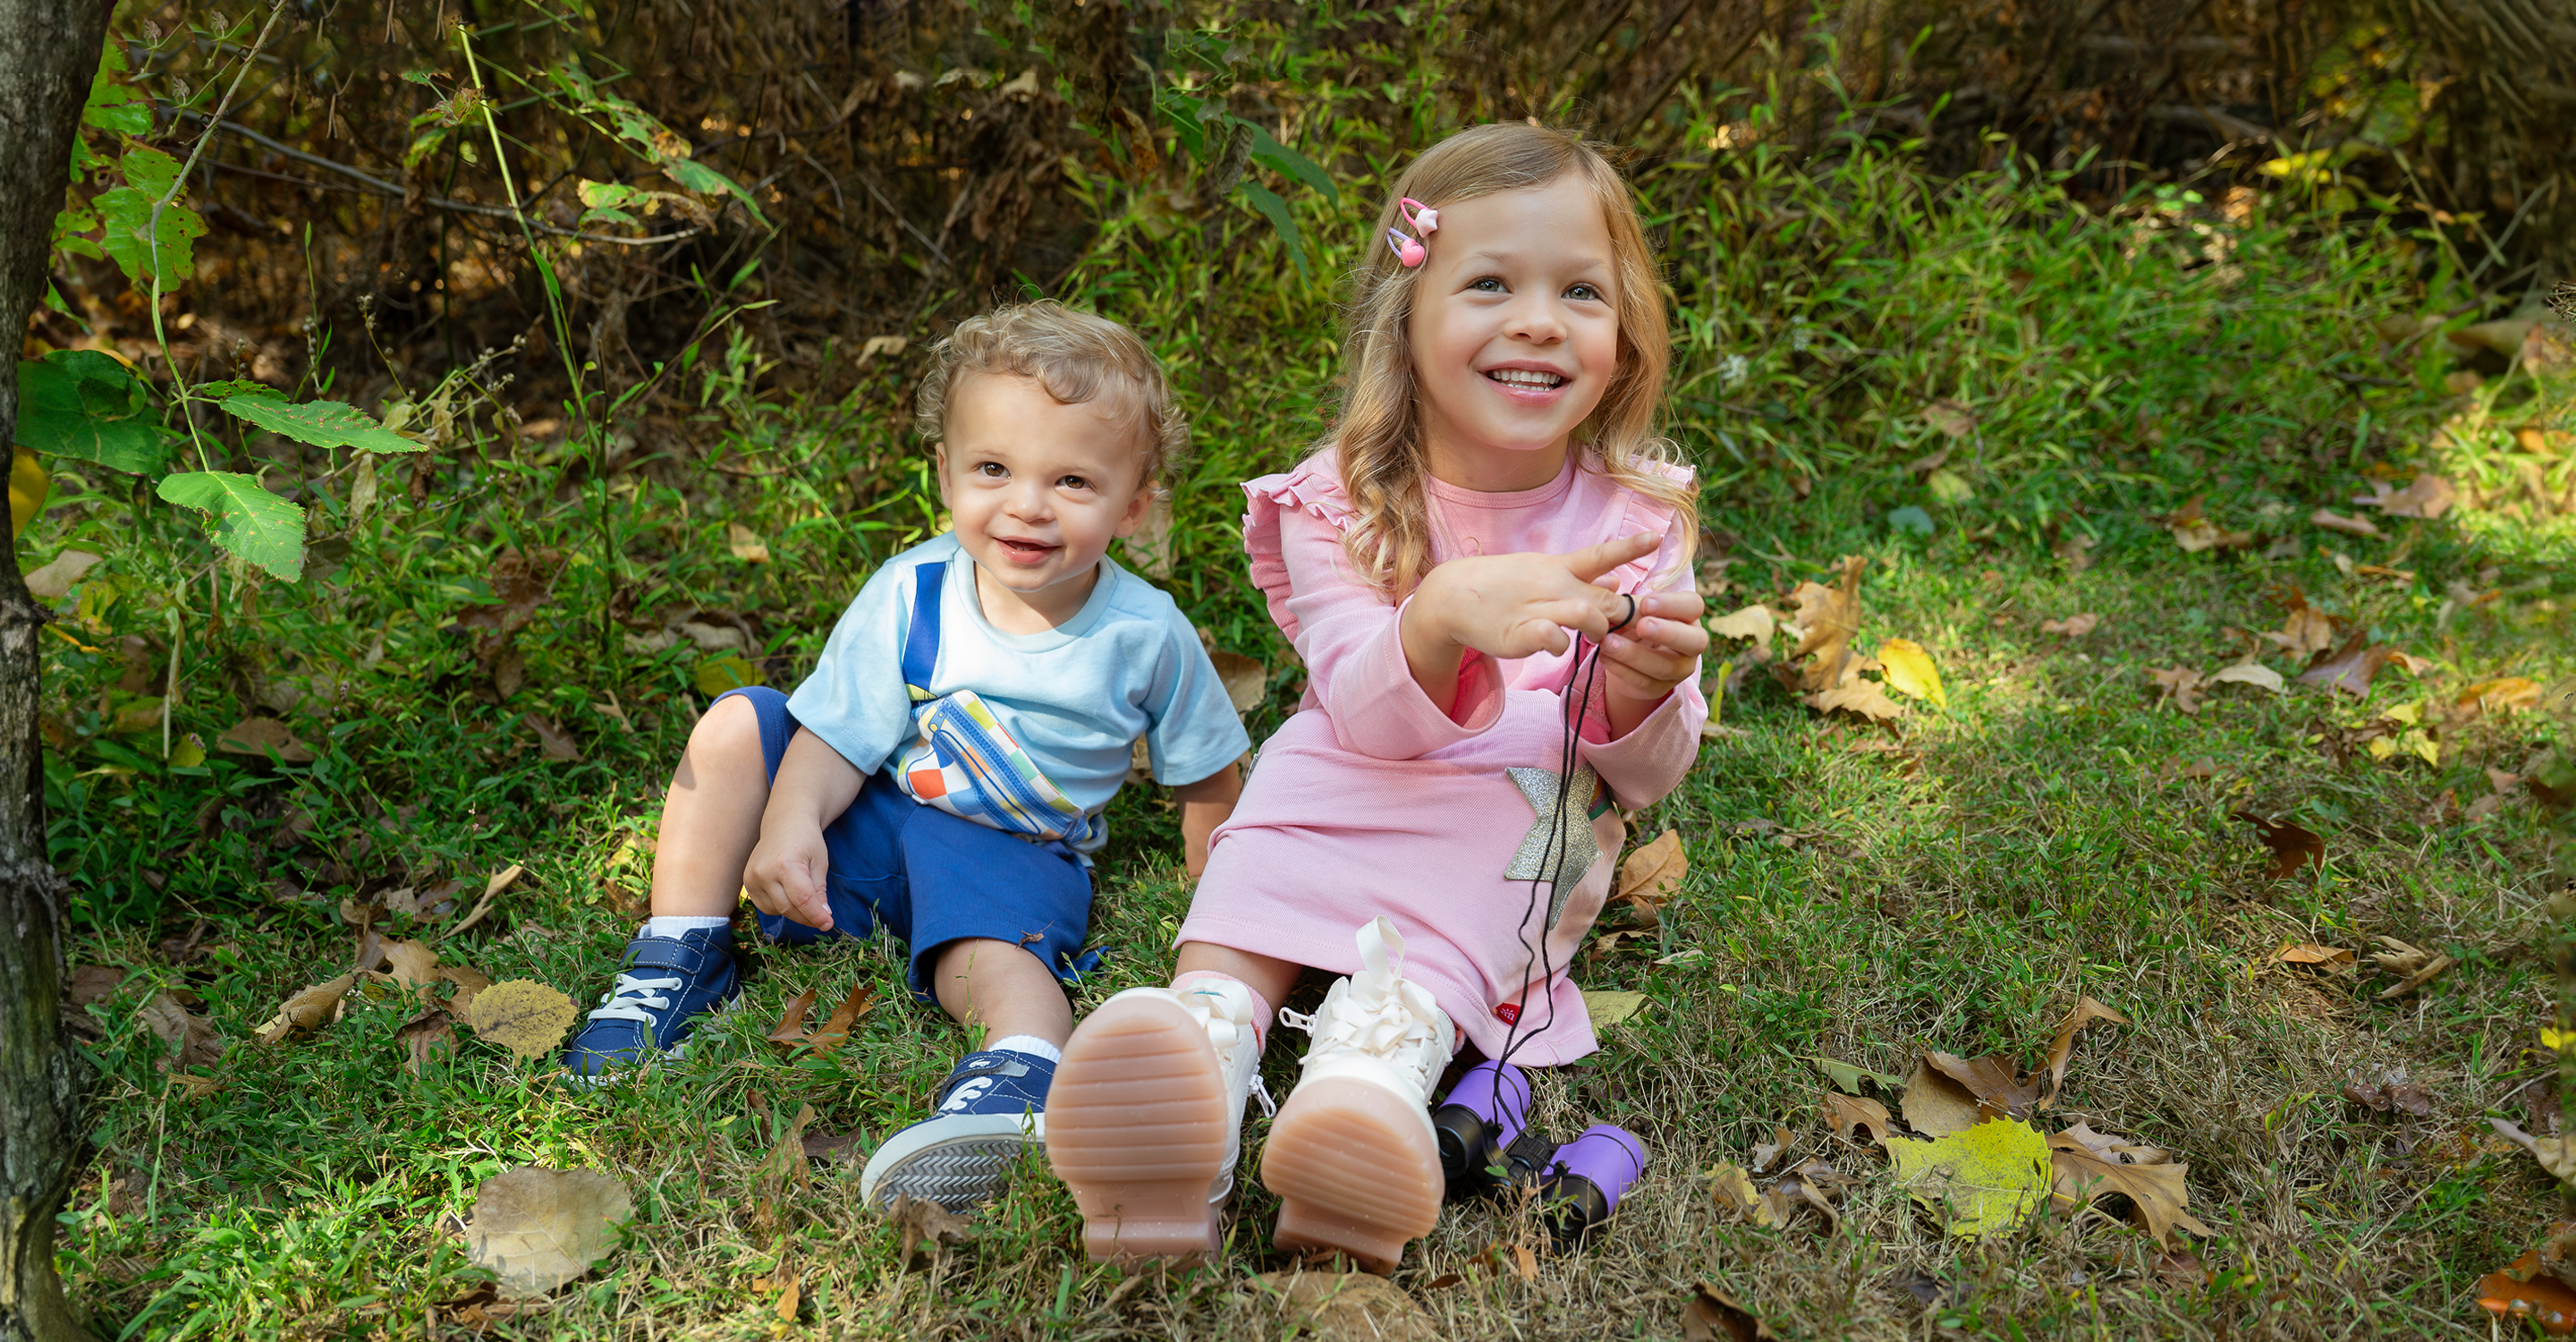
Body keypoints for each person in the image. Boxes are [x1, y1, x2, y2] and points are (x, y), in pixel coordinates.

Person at [1043, 122, 1711, 1272]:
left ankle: (1375, 1074)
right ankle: (1202, 1057)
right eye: (1490, 283)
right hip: (1346, 773)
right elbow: (1361, 706)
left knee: (1490, 847)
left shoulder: (1639, 521)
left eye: (1581, 292)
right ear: (1407, 314)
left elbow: (1642, 776)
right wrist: (1445, 613)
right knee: (1267, 837)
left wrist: (1647, 694)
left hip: (1511, 799)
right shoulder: (1341, 501)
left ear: (1625, 332)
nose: (1538, 319)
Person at [561, 301, 1250, 1216]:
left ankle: (1017, 1071)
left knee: (997, 960)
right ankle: (679, 955)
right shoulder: (911, 591)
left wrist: (1217, 888)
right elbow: (838, 735)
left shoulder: (1143, 635)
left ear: (1135, 504)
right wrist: (792, 820)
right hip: (872, 823)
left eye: (1073, 481)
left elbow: (1205, 772)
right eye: (993, 469)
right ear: (945, 471)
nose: (1027, 505)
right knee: (740, 721)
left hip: (1008, 852)